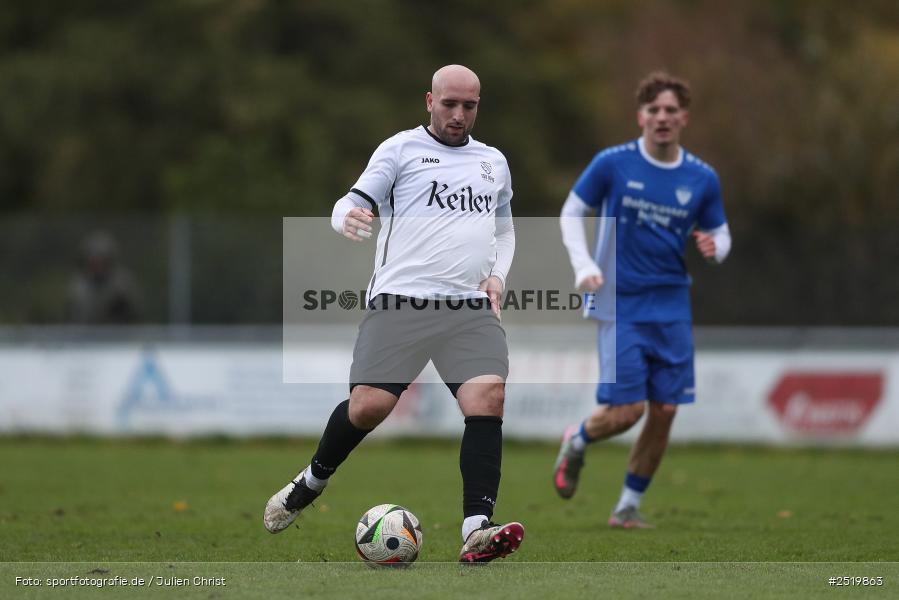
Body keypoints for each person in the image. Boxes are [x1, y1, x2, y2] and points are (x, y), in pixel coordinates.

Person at [265, 65, 524, 562]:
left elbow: (506, 229)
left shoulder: (493, 162)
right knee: (369, 407)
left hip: (468, 308)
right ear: (430, 100)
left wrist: (498, 276)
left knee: (488, 397)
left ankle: (477, 529)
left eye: (469, 106)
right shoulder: (400, 150)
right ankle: (311, 481)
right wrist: (349, 217)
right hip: (400, 301)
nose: (459, 114)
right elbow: (350, 201)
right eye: (449, 104)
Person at [553, 72, 731, 528]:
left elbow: (720, 232)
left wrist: (716, 248)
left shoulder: (702, 177)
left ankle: (627, 507)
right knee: (627, 411)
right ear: (641, 117)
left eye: (672, 110)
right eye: (654, 110)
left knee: (666, 409)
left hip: (671, 303)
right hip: (620, 301)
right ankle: (577, 440)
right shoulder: (614, 163)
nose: (663, 117)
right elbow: (572, 211)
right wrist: (584, 267)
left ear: (684, 118)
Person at [66, 230, 142, 324]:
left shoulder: (123, 283)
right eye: (93, 262)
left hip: (119, 336)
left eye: (102, 261)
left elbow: (135, 315)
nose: (98, 266)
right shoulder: (78, 287)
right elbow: (75, 319)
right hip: (86, 335)